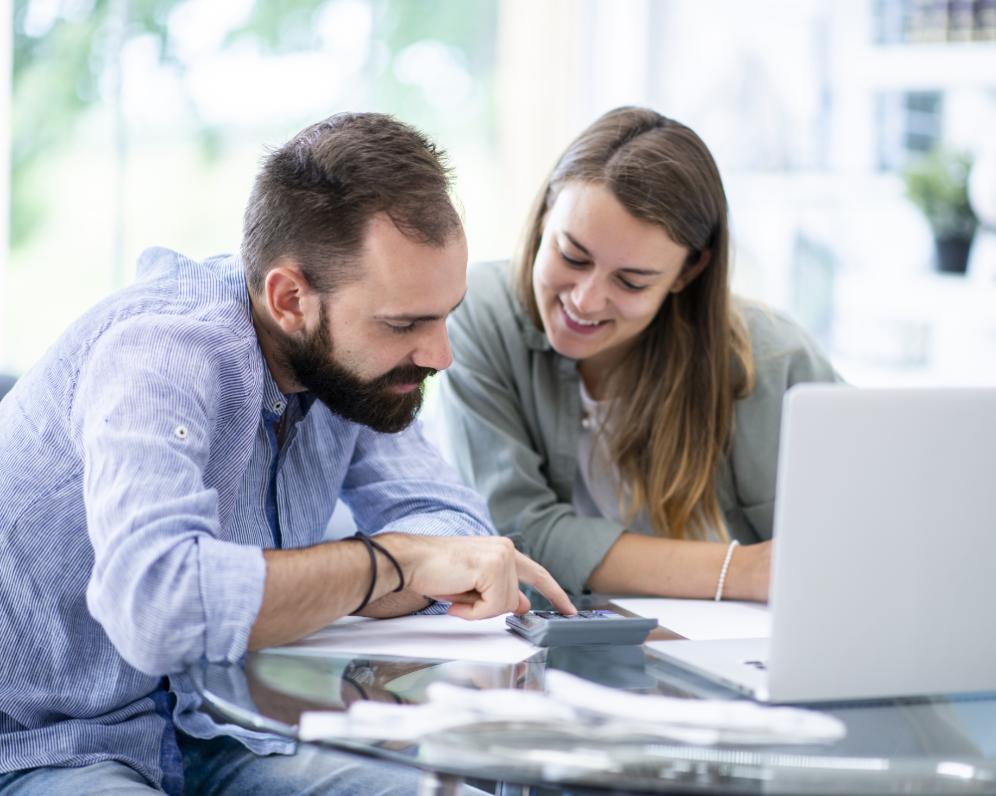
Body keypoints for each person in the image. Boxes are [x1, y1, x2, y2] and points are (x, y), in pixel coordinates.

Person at [0, 112, 573, 795]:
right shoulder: (160, 354)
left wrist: (370, 575)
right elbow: (159, 608)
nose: (439, 355)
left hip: (225, 723)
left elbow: (452, 533)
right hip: (52, 742)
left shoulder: (354, 370)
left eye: (445, 314)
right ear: (289, 299)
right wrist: (391, 566)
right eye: (405, 324)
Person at [440, 106, 839, 602]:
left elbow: (858, 535)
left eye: (631, 281)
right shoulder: (478, 313)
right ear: (544, 215)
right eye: (572, 255)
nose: (585, 300)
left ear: (688, 273)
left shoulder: (775, 360)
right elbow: (515, 536)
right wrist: (745, 571)